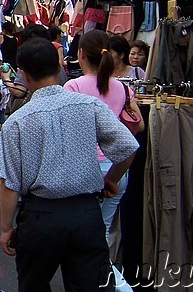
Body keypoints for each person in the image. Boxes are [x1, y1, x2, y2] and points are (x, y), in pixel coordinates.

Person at [0, 38, 140, 291]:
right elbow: (128, 147)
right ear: (59, 66)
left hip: (41, 217)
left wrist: (6, 228)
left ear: (24, 74)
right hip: (85, 213)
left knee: (34, 285)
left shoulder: (17, 122)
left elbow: (9, 183)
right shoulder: (90, 106)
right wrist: (111, 179)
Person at [63, 30, 144, 242]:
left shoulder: (73, 87)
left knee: (80, 233)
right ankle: (104, 272)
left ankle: (99, 274)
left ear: (81, 55)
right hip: (117, 167)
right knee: (103, 229)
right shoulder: (123, 89)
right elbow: (140, 124)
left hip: (85, 168)